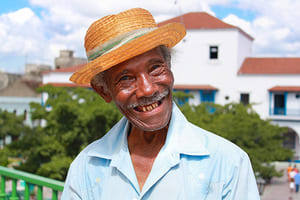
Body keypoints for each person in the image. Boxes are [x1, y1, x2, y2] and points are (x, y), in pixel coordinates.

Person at [62, 8, 260, 199]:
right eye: (126, 78)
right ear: (104, 91)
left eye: (156, 68)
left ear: (170, 67)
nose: (148, 89)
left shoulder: (228, 163)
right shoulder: (86, 167)